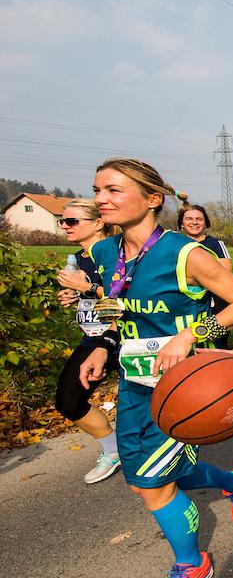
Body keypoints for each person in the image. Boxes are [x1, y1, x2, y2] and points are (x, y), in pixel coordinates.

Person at [78, 158, 233, 578]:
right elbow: (112, 304)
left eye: (114, 190)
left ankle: (190, 564)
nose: (101, 198)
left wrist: (192, 334)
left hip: (185, 389)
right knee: (165, 474)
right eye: (98, 189)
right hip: (135, 384)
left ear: (153, 198)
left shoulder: (184, 253)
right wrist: (101, 346)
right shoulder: (105, 252)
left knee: (149, 483)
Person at [53, 199, 121, 484]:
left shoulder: (116, 254)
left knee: (154, 405)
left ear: (97, 223)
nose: (65, 226)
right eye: (63, 221)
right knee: (68, 401)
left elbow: (125, 299)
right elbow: (91, 298)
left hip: (126, 336)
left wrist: (87, 287)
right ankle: (113, 450)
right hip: (93, 338)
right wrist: (73, 297)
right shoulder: (77, 259)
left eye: (72, 221)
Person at [177, 202, 233, 348]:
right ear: (181, 223)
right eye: (189, 219)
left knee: (215, 346)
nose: (194, 222)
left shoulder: (216, 244)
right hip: (183, 305)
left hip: (214, 305)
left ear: (205, 223)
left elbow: (225, 272)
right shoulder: (174, 244)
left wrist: (190, 278)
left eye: (199, 219)